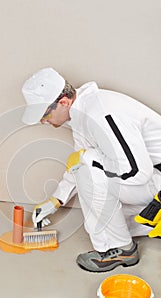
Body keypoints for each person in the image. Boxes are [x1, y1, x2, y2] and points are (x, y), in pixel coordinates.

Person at [21, 67, 161, 273]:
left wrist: (85, 159)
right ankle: (145, 223)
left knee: (89, 168)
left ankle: (121, 250)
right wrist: (56, 200)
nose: (43, 121)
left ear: (63, 102)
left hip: (152, 179)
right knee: (109, 219)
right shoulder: (81, 116)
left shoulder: (102, 113)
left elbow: (137, 171)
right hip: (150, 183)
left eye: (44, 114)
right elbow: (79, 166)